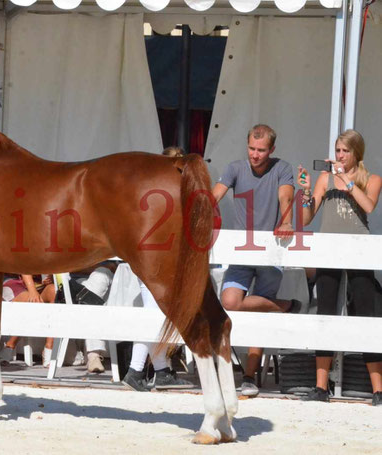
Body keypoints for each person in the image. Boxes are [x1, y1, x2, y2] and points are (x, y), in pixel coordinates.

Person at [212, 124, 301, 397]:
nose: (255, 154)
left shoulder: (282, 168)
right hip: (241, 249)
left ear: (271, 150)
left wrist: (286, 220)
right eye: (251, 148)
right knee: (229, 302)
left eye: (261, 150)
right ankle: (284, 306)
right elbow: (215, 194)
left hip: (271, 248)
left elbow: (285, 195)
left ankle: (249, 376)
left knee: (258, 313)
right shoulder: (235, 167)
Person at [297, 129, 382, 406]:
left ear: (357, 153)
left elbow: (369, 207)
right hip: (330, 249)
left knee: (367, 313)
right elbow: (307, 218)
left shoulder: (372, 179)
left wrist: (346, 181)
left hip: (359, 249)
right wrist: (307, 191)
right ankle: (321, 387)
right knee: (326, 312)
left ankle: (378, 390)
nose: (340, 156)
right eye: (337, 150)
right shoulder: (326, 178)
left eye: (345, 151)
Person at [122, 146, 193, 391]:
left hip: (150, 260)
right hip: (155, 261)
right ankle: (137, 370)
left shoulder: (148, 190)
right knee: (156, 316)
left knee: (156, 314)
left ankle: (157, 370)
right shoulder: (170, 192)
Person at [0, 274, 56, 367]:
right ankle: (11, 344)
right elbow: (24, 267)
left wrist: (51, 278)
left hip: (40, 285)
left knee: (53, 292)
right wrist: (32, 290)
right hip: (15, 281)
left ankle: (49, 347)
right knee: (32, 302)